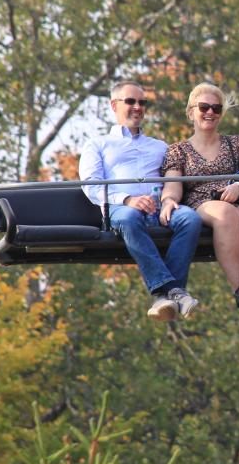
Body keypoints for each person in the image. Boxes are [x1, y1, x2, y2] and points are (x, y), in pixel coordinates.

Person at [79, 81, 202, 322]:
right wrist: (127, 199)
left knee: (190, 218)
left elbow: (173, 179)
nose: (138, 107)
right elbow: (90, 184)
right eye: (131, 101)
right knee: (129, 216)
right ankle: (170, 290)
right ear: (114, 105)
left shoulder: (160, 146)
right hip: (121, 210)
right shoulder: (98, 144)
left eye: (142, 102)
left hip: (159, 209)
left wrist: (168, 200)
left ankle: (167, 296)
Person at [161, 82, 239, 312]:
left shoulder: (237, 144)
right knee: (226, 213)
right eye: (204, 107)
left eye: (216, 108)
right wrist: (168, 200)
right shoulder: (178, 151)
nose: (210, 113)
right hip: (203, 201)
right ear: (191, 112)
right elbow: (173, 185)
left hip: (238, 197)